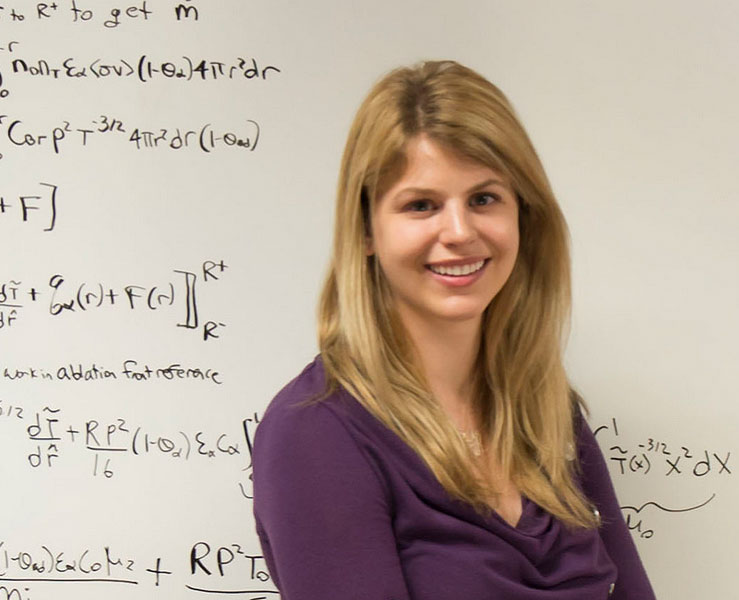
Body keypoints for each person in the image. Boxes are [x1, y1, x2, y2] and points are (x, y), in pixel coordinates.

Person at [252, 60, 656, 600]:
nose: (460, 232)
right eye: (421, 205)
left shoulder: (546, 409)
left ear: (523, 217)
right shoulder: (318, 434)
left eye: (484, 199)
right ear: (366, 230)